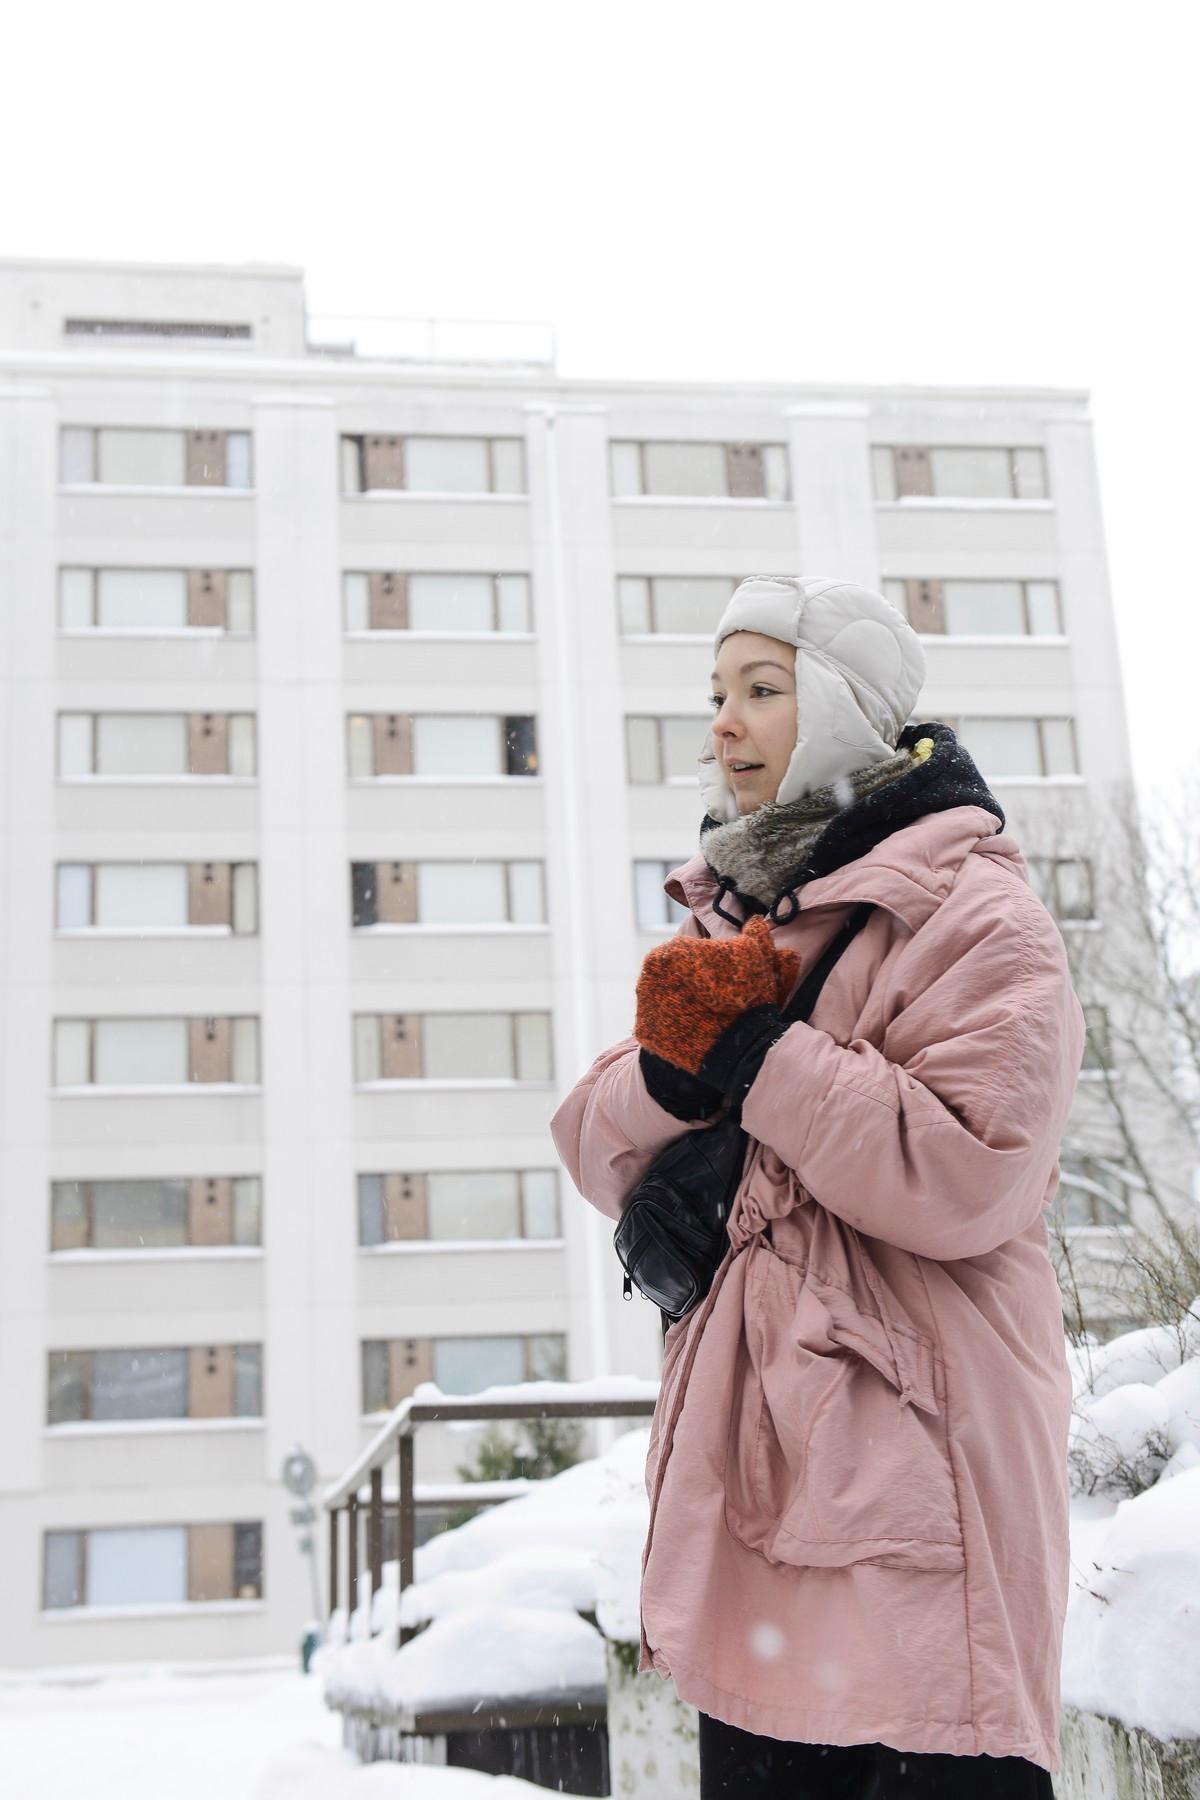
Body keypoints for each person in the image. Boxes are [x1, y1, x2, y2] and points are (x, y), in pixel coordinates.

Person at [551, 576, 1085, 1798]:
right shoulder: (736, 926)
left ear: (845, 714)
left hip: (917, 1475)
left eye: (762, 691)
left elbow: (970, 1173)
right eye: (716, 696)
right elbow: (590, 1143)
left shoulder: (975, 916)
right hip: (754, 1490)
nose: (722, 725)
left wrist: (758, 1056)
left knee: (927, 1751)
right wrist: (687, 1074)